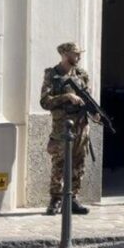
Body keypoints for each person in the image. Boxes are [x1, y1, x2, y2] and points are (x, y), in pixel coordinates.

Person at [40, 42, 92, 216]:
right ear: (64, 54)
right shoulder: (52, 75)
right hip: (62, 127)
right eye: (75, 54)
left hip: (81, 126)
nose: (78, 57)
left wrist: (94, 113)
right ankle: (55, 199)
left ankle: (72, 199)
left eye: (79, 54)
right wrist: (67, 97)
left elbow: (88, 98)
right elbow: (45, 102)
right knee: (59, 164)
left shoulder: (81, 75)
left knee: (78, 163)